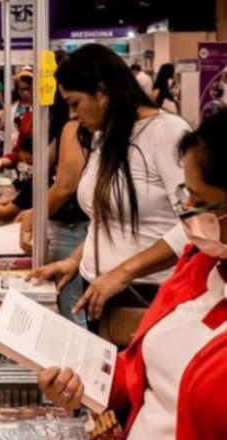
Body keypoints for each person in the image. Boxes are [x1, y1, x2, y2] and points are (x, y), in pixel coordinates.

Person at [39, 110, 227, 440]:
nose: (185, 212)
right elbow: (145, 369)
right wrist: (86, 385)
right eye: (186, 195)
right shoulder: (199, 263)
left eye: (200, 202)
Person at [30, 44, 191, 327]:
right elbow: (104, 217)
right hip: (101, 291)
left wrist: (123, 272)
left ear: (103, 93)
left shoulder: (167, 132)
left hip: (147, 296)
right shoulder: (104, 135)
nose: (73, 115)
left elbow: (194, 224)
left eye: (75, 103)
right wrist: (75, 260)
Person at [18, 92, 91, 328]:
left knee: (70, 313)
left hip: (72, 228)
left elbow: (64, 185)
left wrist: (33, 216)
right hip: (76, 228)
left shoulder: (72, 127)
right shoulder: (69, 129)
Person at [0, 72, 33, 170]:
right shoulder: (11, 107)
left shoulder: (41, 112)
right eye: (22, 89)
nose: (25, 93)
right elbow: (0, 128)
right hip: (13, 154)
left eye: (28, 89)